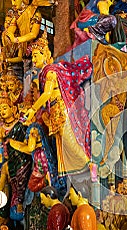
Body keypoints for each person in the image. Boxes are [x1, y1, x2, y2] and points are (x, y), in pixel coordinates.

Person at [24, 32, 93, 176]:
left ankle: (89, 163)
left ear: (45, 55)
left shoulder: (50, 73)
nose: (34, 59)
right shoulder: (43, 74)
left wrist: (33, 109)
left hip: (61, 109)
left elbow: (48, 94)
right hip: (54, 111)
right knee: (60, 142)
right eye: (32, 57)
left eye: (36, 55)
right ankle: (68, 170)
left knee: (69, 140)